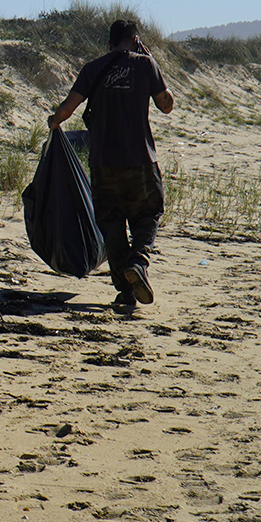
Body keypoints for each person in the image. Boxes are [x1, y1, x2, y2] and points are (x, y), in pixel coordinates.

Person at [48, 19, 175, 311]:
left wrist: (54, 122)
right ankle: (138, 263)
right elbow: (166, 105)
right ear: (136, 40)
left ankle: (126, 291)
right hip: (141, 161)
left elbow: (67, 109)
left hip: (103, 164)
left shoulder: (93, 68)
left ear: (108, 44)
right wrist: (152, 60)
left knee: (111, 224)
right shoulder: (146, 64)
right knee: (148, 214)